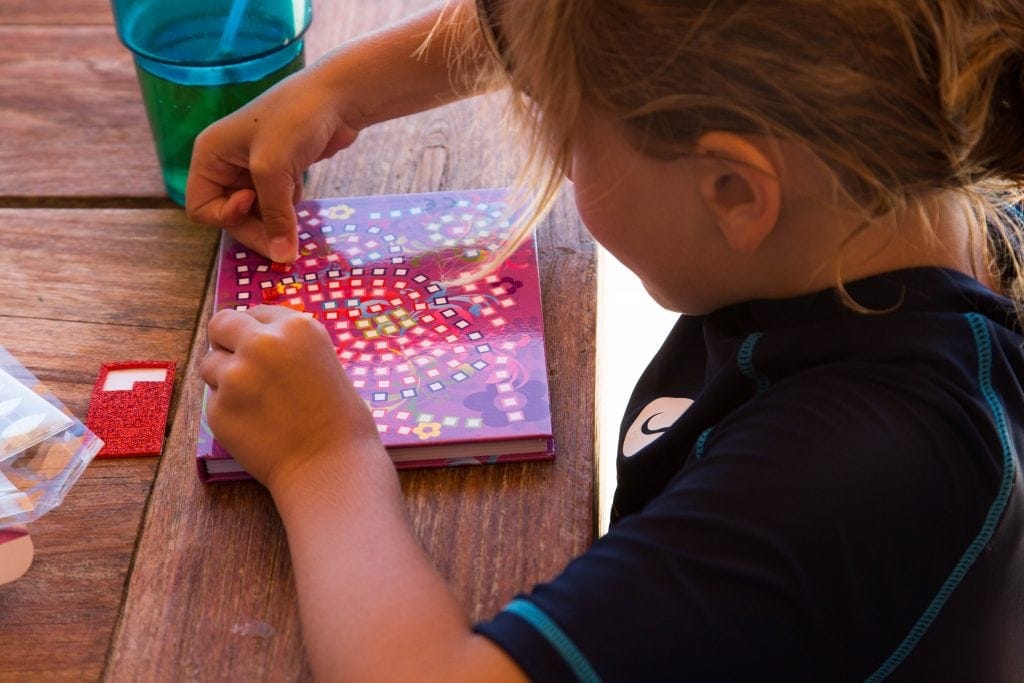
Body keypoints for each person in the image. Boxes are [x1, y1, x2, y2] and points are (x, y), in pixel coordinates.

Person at [187, 0, 1024, 679]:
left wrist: (322, 459)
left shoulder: (851, 475)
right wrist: (343, 88)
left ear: (735, 189)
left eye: (561, 120)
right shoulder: (874, 194)